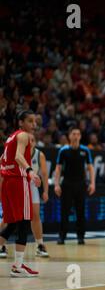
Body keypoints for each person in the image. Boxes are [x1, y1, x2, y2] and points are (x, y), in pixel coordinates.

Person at [0, 110, 41, 277]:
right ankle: (18, 266)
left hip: (7, 183)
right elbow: (18, 157)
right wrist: (30, 171)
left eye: (35, 121)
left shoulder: (10, 138)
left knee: (12, 224)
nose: (34, 125)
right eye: (30, 121)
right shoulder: (24, 136)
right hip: (18, 181)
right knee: (24, 222)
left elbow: (2, 161)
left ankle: (18, 265)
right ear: (21, 123)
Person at [1, 133, 50, 258]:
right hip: (17, 183)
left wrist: (45, 191)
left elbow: (44, 174)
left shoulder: (39, 155)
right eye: (29, 140)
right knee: (11, 219)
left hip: (31, 185)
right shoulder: (16, 152)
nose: (31, 142)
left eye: (33, 140)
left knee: (34, 216)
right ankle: (4, 246)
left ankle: (40, 244)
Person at [54, 126, 95, 245]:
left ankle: (80, 237)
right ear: (69, 136)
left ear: (80, 136)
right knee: (64, 211)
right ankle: (62, 236)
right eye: (74, 134)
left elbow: (90, 168)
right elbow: (58, 169)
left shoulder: (85, 150)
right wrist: (56, 185)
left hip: (81, 184)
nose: (76, 136)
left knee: (80, 211)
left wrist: (92, 183)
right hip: (67, 183)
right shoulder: (63, 150)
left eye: (78, 134)